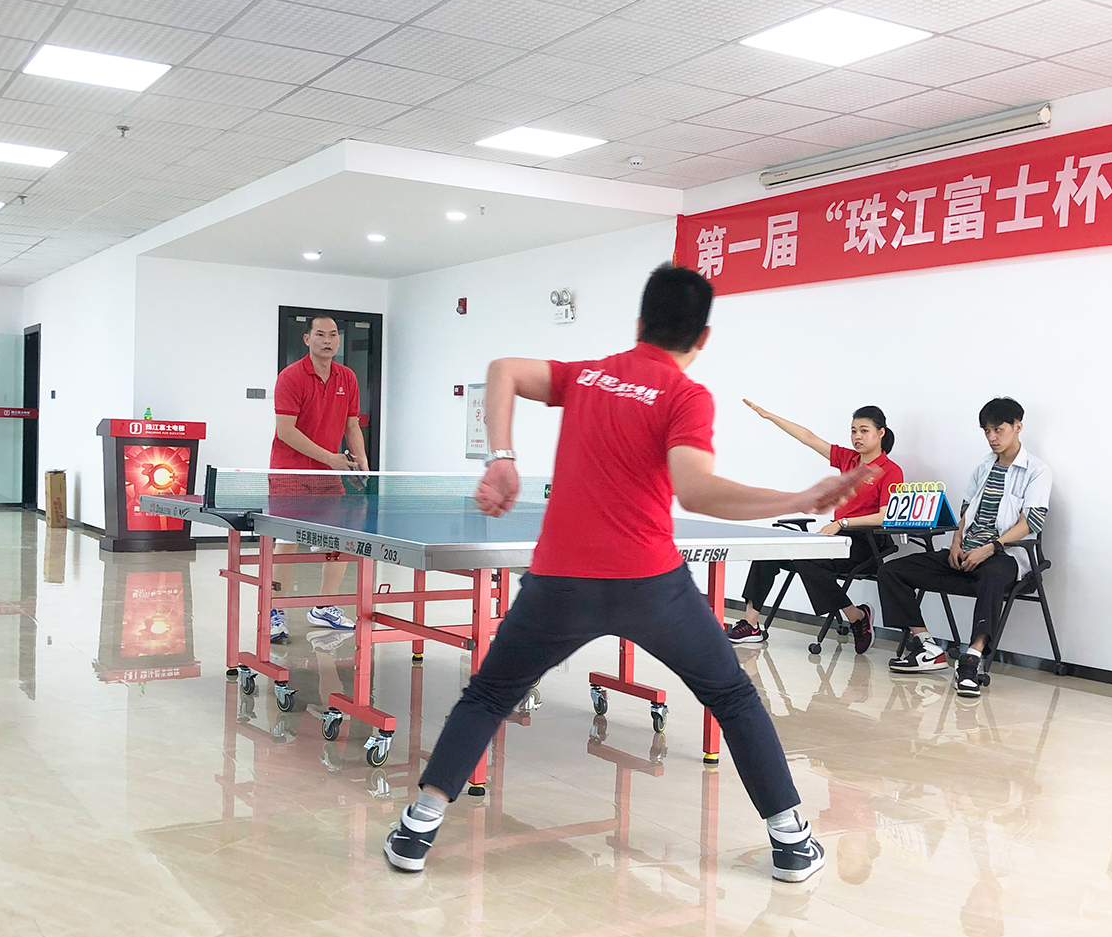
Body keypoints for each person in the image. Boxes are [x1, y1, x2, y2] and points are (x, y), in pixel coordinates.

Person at [384, 265, 875, 882]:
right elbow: (695, 492)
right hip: (651, 586)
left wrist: (502, 459)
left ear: (639, 322)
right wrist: (798, 499)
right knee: (731, 696)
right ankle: (792, 842)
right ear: (703, 338)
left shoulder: (589, 375)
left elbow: (503, 369)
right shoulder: (686, 395)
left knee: (488, 695)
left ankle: (418, 829)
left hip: (560, 582)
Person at [878, 397, 1051, 697]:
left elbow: (1029, 523)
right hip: (966, 552)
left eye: (998, 430)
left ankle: (972, 658)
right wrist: (956, 542)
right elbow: (965, 512)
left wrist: (990, 548)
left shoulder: (1036, 471)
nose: (992, 437)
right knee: (891, 570)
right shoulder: (983, 467)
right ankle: (926, 646)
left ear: (1017, 427)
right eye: (987, 431)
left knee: (993, 576)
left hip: (1005, 555)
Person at [726, 402, 905, 655]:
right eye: (853, 431)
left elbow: (886, 516)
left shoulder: (891, 471)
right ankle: (751, 624)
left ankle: (856, 616)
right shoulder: (849, 459)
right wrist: (770, 416)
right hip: (836, 538)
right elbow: (809, 438)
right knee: (770, 550)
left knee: (805, 559)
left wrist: (842, 523)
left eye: (864, 431)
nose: (857, 436)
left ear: (881, 433)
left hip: (867, 543)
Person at [268, 315, 368, 641]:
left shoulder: (347, 377)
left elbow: (352, 425)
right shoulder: (291, 377)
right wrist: (332, 459)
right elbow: (286, 431)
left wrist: (362, 463)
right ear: (307, 339)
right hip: (290, 473)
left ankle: (325, 607)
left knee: (339, 542)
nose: (328, 340)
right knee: (287, 543)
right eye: (321, 334)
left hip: (328, 475)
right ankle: (275, 610)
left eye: (333, 335)